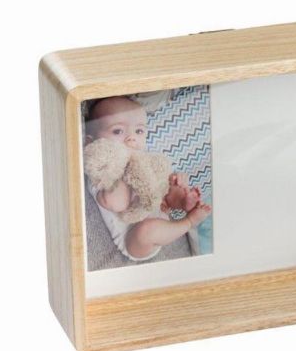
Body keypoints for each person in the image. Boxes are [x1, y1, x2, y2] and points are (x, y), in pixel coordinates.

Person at [84, 96, 211, 262]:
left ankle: (183, 201)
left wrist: (175, 182)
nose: (131, 138)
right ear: (91, 141)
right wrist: (127, 166)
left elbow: (157, 184)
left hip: (159, 207)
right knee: (146, 231)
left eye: (139, 131)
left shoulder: (144, 158)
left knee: (170, 187)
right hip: (134, 239)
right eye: (118, 131)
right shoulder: (100, 171)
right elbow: (118, 204)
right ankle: (188, 222)